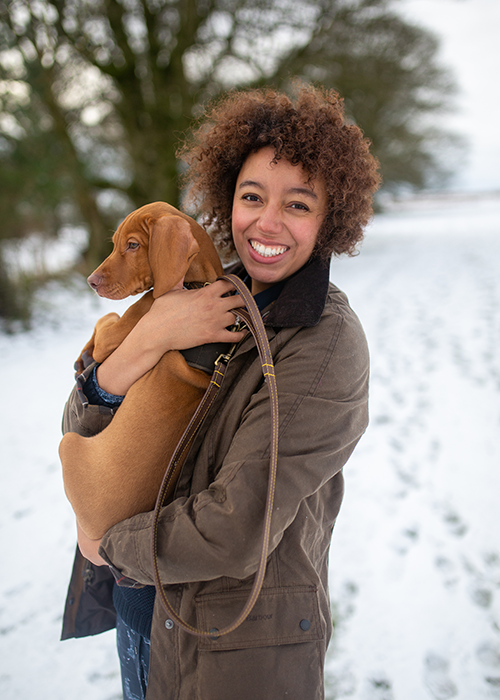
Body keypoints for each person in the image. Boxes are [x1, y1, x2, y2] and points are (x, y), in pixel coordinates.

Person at [61, 83, 380, 700]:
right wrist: (142, 343)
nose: (267, 222)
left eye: (298, 205)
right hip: (144, 605)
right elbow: (79, 426)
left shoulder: (325, 346)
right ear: (225, 201)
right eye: (251, 196)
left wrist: (109, 545)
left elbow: (237, 525)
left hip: (234, 642)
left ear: (330, 218)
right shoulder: (193, 301)